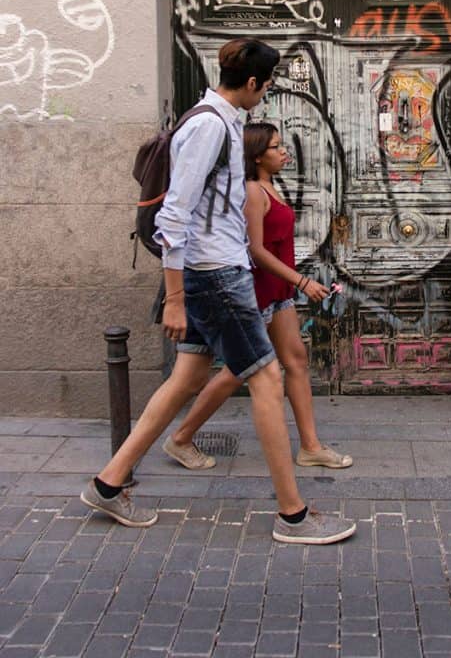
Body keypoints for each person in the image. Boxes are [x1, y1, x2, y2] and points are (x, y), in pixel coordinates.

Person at [80, 37, 356, 546]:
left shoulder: (222, 121)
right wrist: (178, 296)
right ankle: (293, 516)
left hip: (211, 272)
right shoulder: (209, 126)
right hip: (214, 275)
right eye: (267, 84)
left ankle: (109, 482)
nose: (268, 92)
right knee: (268, 380)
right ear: (252, 83)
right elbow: (173, 217)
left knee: (184, 379)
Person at [163, 121, 353, 471]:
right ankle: (181, 437)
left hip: (277, 292)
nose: (284, 152)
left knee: (295, 361)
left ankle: (310, 446)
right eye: (275, 147)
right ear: (256, 156)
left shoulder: (271, 186)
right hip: (258, 291)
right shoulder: (253, 191)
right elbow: (256, 251)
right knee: (237, 371)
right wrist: (302, 281)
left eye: (282, 145)